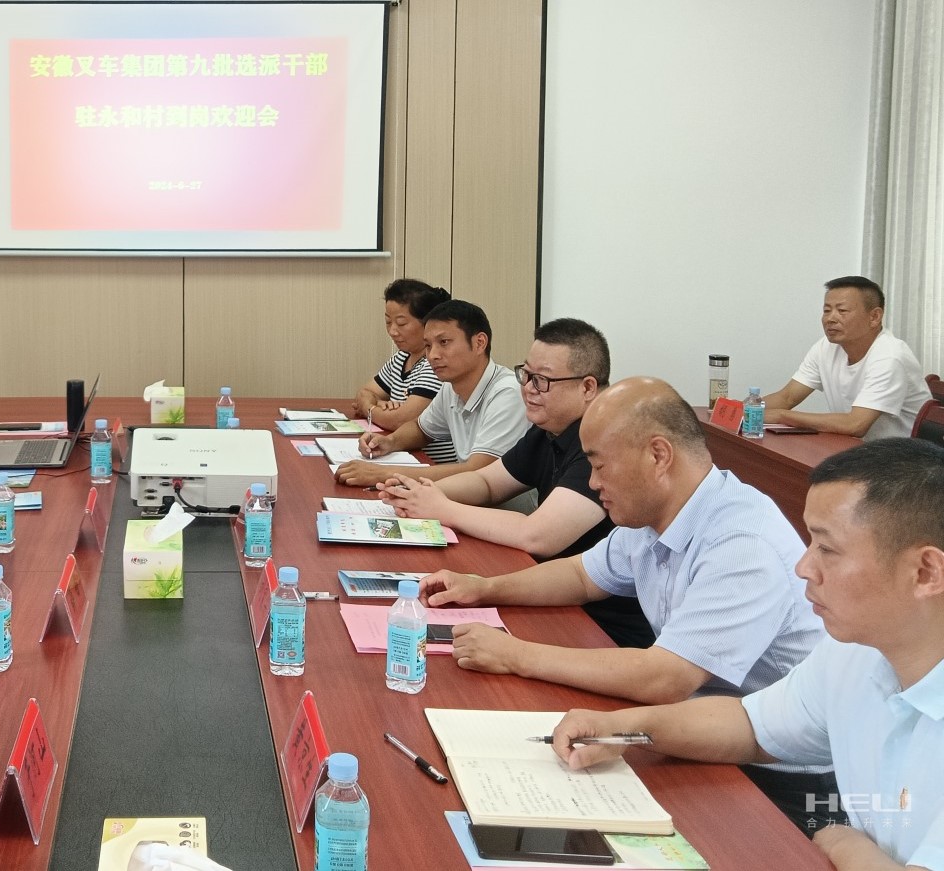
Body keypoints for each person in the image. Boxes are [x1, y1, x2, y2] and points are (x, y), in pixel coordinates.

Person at [418, 377, 831, 829]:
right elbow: (580, 576)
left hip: (779, 774)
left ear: (658, 456)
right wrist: (485, 588)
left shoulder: (742, 544)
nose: (593, 482)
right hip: (693, 726)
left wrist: (516, 654)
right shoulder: (656, 513)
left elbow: (665, 678)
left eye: (600, 465)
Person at [550, 439, 944, 866]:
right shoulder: (856, 652)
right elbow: (751, 726)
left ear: (925, 572)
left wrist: (845, 844)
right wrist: (624, 729)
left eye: (827, 549)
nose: (803, 567)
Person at [380, 318, 653, 648]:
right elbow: (487, 482)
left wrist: (442, 508)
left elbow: (538, 535)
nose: (528, 388)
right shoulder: (550, 429)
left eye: (542, 380)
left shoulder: (604, 444)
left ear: (587, 388)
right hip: (553, 596)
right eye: (526, 374)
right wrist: (419, 494)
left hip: (600, 626)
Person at [336, 299, 528, 488]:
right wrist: (389, 442)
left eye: (444, 342)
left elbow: (478, 472)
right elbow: (421, 429)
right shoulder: (450, 387)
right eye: (428, 345)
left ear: (479, 343)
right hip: (468, 497)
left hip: (505, 505)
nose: (432, 355)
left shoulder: (508, 393)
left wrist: (383, 473)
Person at [763, 275, 929, 441]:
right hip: (857, 448)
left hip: (905, 454)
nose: (830, 319)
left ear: (874, 317)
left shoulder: (890, 356)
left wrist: (781, 416)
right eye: (827, 311)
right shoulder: (826, 347)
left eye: (842, 311)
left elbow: (855, 425)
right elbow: (787, 397)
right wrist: (747, 411)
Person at [349, 278, 458, 463]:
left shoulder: (435, 364)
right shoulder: (401, 358)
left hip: (433, 463)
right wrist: (378, 405)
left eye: (401, 323)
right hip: (402, 454)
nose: (392, 331)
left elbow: (402, 420)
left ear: (427, 323)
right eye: (388, 322)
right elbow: (364, 393)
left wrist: (370, 409)